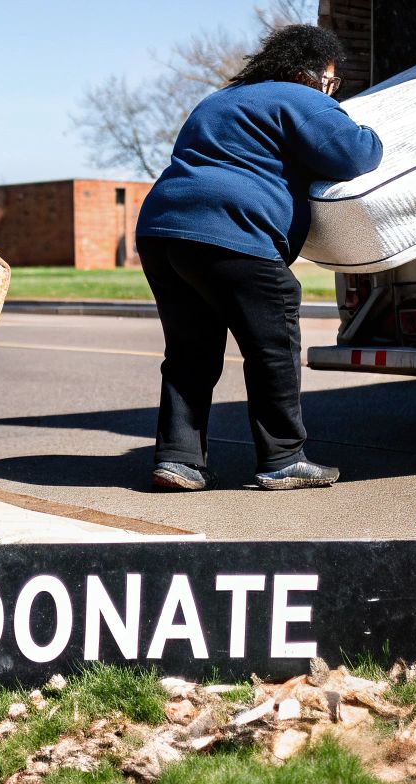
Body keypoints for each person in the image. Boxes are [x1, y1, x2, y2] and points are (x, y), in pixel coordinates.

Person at [134, 24, 382, 492]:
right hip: (232, 232)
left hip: (162, 229)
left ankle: (178, 459)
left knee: (191, 351)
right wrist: (366, 129)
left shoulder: (218, 101)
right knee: (272, 345)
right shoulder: (300, 97)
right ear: (309, 74)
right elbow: (353, 154)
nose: (332, 90)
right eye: (331, 81)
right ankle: (283, 458)